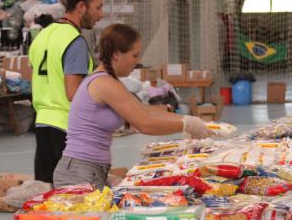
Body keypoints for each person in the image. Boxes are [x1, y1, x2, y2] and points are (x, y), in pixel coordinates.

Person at [53, 23, 211, 189]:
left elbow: (144, 109)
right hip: (79, 171)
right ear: (116, 54)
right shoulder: (104, 83)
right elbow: (144, 123)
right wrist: (186, 125)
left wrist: (186, 119)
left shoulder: (110, 81)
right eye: (134, 56)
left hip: (90, 168)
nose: (137, 62)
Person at [29, 0, 104, 183]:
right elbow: (73, 92)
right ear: (81, 6)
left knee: (49, 192)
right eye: (98, 7)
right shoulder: (74, 41)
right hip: (67, 128)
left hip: (43, 123)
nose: (101, 14)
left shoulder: (42, 36)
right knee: (76, 195)